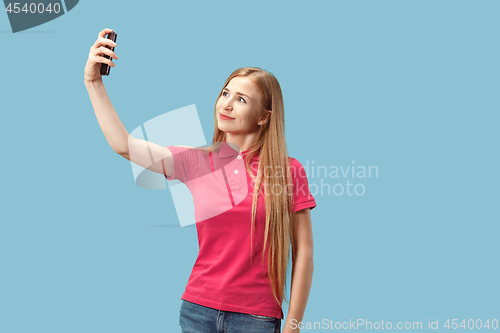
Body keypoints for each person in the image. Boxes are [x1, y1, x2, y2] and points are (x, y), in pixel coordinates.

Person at [84, 28, 316, 333]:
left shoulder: (287, 171)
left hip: (255, 318)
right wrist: (93, 81)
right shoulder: (198, 162)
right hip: (197, 311)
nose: (227, 105)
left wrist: (293, 327)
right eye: (225, 93)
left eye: (242, 99)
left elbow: (304, 253)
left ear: (264, 116)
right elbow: (123, 145)